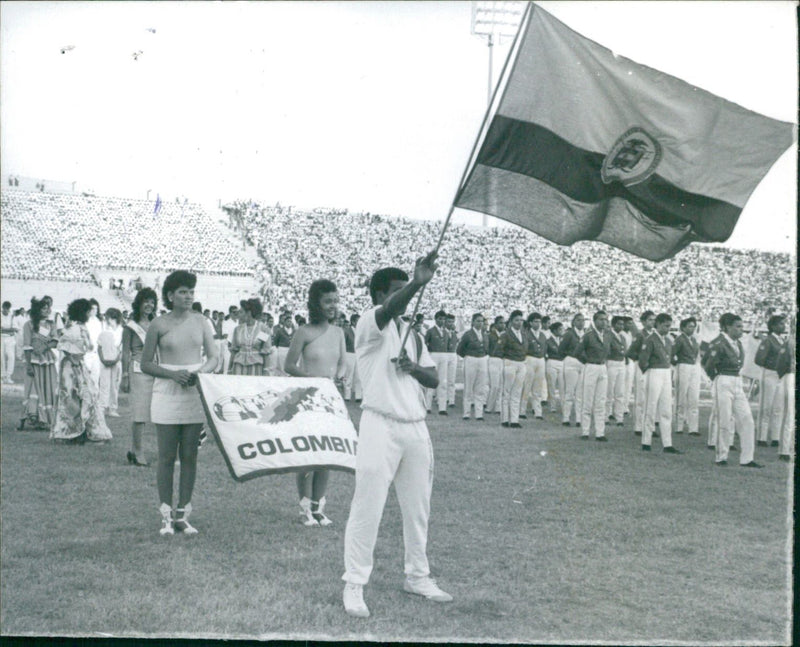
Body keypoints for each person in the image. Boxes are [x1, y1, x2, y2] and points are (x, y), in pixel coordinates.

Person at [342, 251, 452, 619]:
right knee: (367, 506)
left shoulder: (415, 336)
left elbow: (434, 379)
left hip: (415, 427)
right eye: (398, 291)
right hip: (379, 424)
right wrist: (418, 283)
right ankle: (355, 583)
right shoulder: (369, 324)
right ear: (378, 295)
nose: (408, 296)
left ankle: (417, 576)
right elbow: (390, 310)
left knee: (417, 509)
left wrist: (413, 368)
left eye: (409, 288)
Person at [141, 270, 219, 536]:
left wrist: (200, 372)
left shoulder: (201, 321)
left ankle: (183, 514)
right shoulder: (158, 324)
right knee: (166, 456)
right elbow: (146, 363)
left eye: (191, 292)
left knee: (190, 455)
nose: (188, 296)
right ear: (170, 295)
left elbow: (213, 357)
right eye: (183, 292)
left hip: (194, 392)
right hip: (166, 393)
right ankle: (165, 514)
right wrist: (172, 374)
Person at [284, 279, 347, 526]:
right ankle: (305, 507)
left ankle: (319, 506)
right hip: (307, 398)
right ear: (315, 303)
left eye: (335, 300)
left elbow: (342, 362)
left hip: (331, 399)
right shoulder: (304, 332)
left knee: (327, 453)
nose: (332, 305)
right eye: (327, 301)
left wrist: (338, 378)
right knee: (308, 455)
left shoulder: (339, 332)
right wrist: (313, 381)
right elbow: (289, 365)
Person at [50, 299, 113, 443]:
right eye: (87, 311)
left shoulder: (78, 327)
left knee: (86, 396)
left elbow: (86, 346)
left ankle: (81, 430)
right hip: (71, 366)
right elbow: (65, 347)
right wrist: (74, 362)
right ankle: (73, 432)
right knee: (72, 398)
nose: (89, 313)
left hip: (78, 365)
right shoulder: (72, 328)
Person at [702, 313, 761, 468]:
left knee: (747, 419)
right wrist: (716, 378)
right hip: (723, 380)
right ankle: (721, 456)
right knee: (724, 419)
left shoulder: (738, 343)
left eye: (742, 326)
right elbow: (707, 364)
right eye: (738, 326)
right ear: (728, 327)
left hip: (736, 381)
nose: (741, 329)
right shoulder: (718, 343)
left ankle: (747, 458)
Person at [121, 288, 158, 466]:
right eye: (146, 301)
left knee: (159, 413)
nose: (149, 305)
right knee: (139, 412)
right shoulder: (130, 326)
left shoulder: (156, 324)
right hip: (138, 371)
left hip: (156, 371)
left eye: (152, 302)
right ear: (139, 303)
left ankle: (136, 450)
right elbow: (125, 352)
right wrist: (125, 375)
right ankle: (138, 451)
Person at [639, 313, 682, 453]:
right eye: (665, 326)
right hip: (654, 372)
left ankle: (667, 443)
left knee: (666, 409)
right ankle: (646, 441)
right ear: (657, 324)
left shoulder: (669, 340)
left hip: (665, 372)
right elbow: (643, 361)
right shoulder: (650, 339)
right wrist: (648, 373)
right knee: (650, 407)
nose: (668, 329)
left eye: (669, 326)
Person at [20, 297, 59, 431]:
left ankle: (45, 419)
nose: (48, 310)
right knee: (33, 388)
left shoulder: (51, 324)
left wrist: (45, 346)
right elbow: (26, 346)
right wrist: (29, 365)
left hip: (47, 360)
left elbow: (55, 341)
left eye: (48, 307)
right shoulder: (29, 325)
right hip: (34, 361)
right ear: (37, 310)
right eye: (44, 308)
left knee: (47, 387)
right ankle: (32, 416)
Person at [576, 311, 609, 440]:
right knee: (587, 399)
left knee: (601, 400)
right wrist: (588, 361)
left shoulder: (607, 335)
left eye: (606, 320)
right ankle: (585, 431)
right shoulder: (588, 335)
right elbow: (578, 352)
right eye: (601, 319)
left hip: (602, 367)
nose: (604, 322)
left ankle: (600, 433)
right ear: (594, 321)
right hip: (591, 367)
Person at [754, 315, 786, 448]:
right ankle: (761, 437)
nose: (783, 326)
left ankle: (775, 437)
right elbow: (759, 359)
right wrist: (772, 364)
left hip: (780, 375)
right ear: (772, 326)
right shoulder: (768, 341)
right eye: (780, 324)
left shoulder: (782, 341)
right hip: (770, 373)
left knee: (778, 408)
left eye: (783, 324)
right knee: (766, 407)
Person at [626, 311, 655, 437]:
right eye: (649, 320)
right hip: (641, 366)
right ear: (643, 322)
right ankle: (638, 426)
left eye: (654, 320)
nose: (652, 322)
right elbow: (630, 352)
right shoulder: (640, 335)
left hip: (653, 368)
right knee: (640, 397)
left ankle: (649, 426)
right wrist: (641, 358)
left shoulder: (655, 334)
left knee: (652, 398)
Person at [456, 312, 489, 420]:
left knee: (480, 387)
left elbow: (486, 348)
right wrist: (469, 356)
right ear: (472, 322)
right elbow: (460, 349)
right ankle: (466, 413)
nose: (480, 323)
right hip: (471, 359)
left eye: (482, 321)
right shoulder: (467, 334)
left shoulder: (484, 334)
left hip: (482, 359)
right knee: (469, 386)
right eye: (478, 321)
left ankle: (479, 414)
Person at [672, 316, 701, 436]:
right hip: (683, 366)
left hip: (693, 367)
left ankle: (693, 428)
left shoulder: (694, 340)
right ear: (683, 328)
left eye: (694, 326)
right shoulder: (679, 339)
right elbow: (670, 354)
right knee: (681, 397)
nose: (692, 329)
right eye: (690, 326)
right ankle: (679, 426)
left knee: (694, 397)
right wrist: (677, 364)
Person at [498, 310, 527, 429]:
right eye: (516, 320)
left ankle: (514, 420)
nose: (519, 323)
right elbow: (499, 350)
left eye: (521, 320)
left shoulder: (524, 334)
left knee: (517, 392)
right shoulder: (506, 334)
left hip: (521, 362)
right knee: (507, 392)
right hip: (509, 362)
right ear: (511, 321)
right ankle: (505, 419)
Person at [229, 298, 272, 375]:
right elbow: (234, 351)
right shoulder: (238, 329)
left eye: (241, 312)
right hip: (238, 366)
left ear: (249, 313)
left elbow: (266, 352)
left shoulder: (263, 329)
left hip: (256, 367)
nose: (238, 315)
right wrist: (229, 369)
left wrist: (266, 370)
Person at [558, 313, 585, 427]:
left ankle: (579, 418)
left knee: (580, 393)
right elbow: (561, 349)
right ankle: (566, 417)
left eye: (583, 320)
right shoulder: (569, 334)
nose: (581, 322)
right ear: (573, 322)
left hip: (583, 363)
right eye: (578, 320)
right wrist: (569, 356)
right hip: (571, 362)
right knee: (569, 391)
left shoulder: (586, 334)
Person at [97, 308, 123, 418]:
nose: (109, 321)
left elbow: (122, 348)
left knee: (114, 386)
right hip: (104, 362)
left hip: (116, 362)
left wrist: (116, 360)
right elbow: (99, 347)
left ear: (116, 319)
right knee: (104, 385)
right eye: (108, 318)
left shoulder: (121, 331)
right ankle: (102, 408)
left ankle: (112, 409)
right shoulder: (103, 331)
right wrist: (103, 359)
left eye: (112, 318)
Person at [520, 312, 546, 420]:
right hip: (530, 358)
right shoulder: (525, 334)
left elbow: (544, 348)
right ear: (530, 323)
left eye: (539, 321)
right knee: (527, 385)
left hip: (540, 359)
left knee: (538, 386)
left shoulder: (543, 335)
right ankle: (522, 410)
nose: (538, 324)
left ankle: (538, 411)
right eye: (535, 321)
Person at [424, 310, 450, 415]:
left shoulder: (446, 332)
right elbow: (425, 344)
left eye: (443, 319)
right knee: (431, 379)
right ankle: (427, 406)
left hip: (444, 355)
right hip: (433, 355)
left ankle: (442, 407)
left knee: (443, 381)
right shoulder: (430, 331)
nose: (442, 321)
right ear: (435, 320)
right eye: (440, 319)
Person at [776, 331, 794, 462]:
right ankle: (784, 449)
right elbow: (780, 364)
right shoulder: (789, 342)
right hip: (791, 375)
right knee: (789, 415)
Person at [605, 316, 627, 426]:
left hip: (620, 363)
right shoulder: (608, 335)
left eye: (622, 324)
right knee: (609, 391)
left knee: (620, 391)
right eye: (619, 324)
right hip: (611, 362)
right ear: (613, 325)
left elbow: (625, 351)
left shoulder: (622, 337)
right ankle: (606, 415)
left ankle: (619, 417)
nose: (621, 326)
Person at [486, 316, 505, 415]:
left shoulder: (505, 335)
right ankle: (489, 407)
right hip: (493, 359)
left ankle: (498, 407)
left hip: (503, 360)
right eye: (501, 323)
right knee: (494, 385)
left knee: (501, 385)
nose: (503, 325)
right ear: (496, 324)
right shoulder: (490, 335)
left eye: (504, 323)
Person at [545, 322, 565, 415]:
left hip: (561, 362)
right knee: (552, 385)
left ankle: (563, 405)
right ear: (554, 331)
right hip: (552, 362)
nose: (562, 331)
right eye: (560, 329)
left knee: (562, 385)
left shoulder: (563, 340)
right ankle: (552, 406)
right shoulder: (548, 341)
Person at [84, 299, 104, 390]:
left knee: (95, 378)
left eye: (96, 309)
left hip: (96, 353)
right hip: (86, 353)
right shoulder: (84, 321)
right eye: (92, 308)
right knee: (85, 377)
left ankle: (95, 401)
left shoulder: (99, 322)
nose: (94, 311)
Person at [1, 301, 19, 384]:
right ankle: (2, 376)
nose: (6, 310)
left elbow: (15, 328)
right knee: (1, 357)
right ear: (2, 308)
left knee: (11, 357)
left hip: (10, 339)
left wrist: (4, 329)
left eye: (7, 309)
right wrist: (9, 329)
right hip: (1, 338)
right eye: (5, 308)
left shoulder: (12, 317)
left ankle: (8, 376)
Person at [445, 313, 458, 408]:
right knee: (443, 378)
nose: (451, 323)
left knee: (452, 379)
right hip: (444, 354)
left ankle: (451, 399)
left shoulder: (454, 332)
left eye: (452, 322)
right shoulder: (442, 332)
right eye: (449, 321)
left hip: (453, 354)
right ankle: (442, 397)